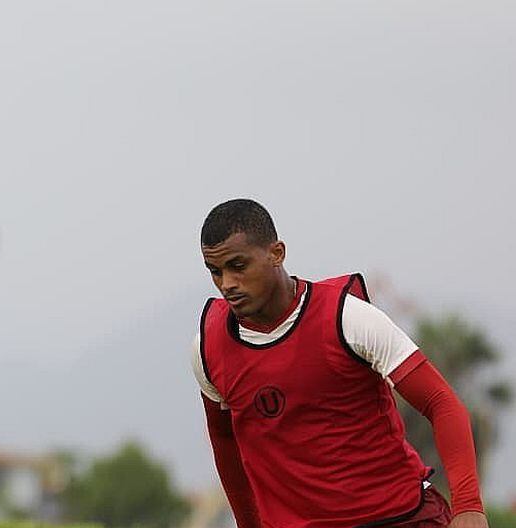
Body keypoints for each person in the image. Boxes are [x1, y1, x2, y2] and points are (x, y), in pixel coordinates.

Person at [190, 199, 487, 528]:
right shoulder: (209, 346)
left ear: (277, 253)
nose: (227, 283)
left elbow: (441, 402)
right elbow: (225, 440)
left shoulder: (349, 318)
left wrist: (468, 506)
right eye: (215, 271)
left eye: (238, 266)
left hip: (401, 517)